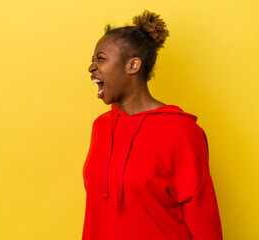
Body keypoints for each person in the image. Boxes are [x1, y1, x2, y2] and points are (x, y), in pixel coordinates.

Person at [82, 10, 223, 240]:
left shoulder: (182, 132)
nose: (91, 67)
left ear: (133, 65)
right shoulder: (101, 127)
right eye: (92, 60)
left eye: (100, 58)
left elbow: (204, 221)